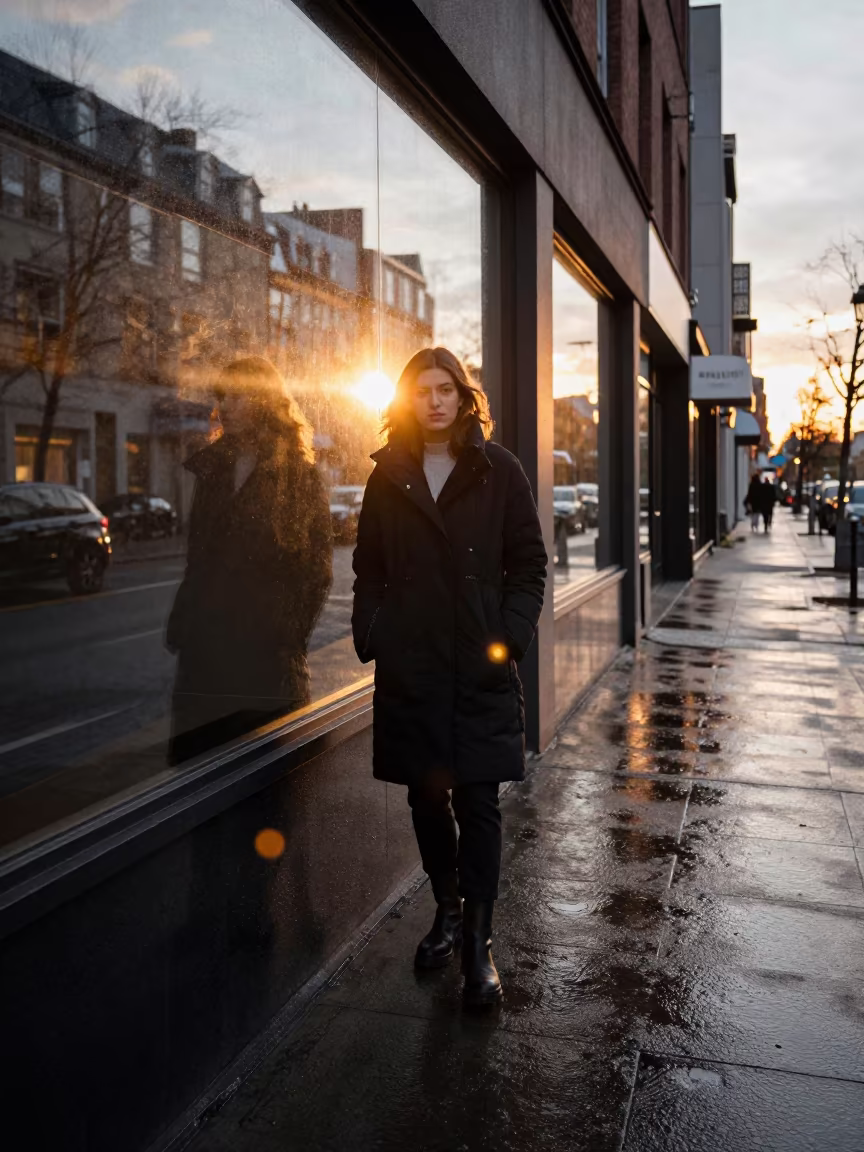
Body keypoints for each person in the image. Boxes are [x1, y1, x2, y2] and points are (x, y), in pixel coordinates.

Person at [351, 347, 547, 1008]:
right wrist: (374, 631)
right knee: (425, 799)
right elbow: (369, 568)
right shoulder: (389, 475)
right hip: (413, 666)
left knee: (479, 802)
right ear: (407, 399)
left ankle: (479, 945)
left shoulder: (499, 470)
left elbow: (528, 565)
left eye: (445, 389)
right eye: (422, 390)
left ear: (464, 397)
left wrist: (508, 638)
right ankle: (447, 909)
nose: (434, 401)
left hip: (478, 665)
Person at [166, 356, 332, 765]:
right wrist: (187, 620)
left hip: (265, 663)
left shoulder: (297, 474)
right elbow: (199, 559)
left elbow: (315, 570)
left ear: (264, 401)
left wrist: (284, 638)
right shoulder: (212, 469)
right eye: (223, 396)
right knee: (200, 790)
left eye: (239, 396)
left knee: (266, 791)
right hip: (206, 659)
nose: (225, 406)